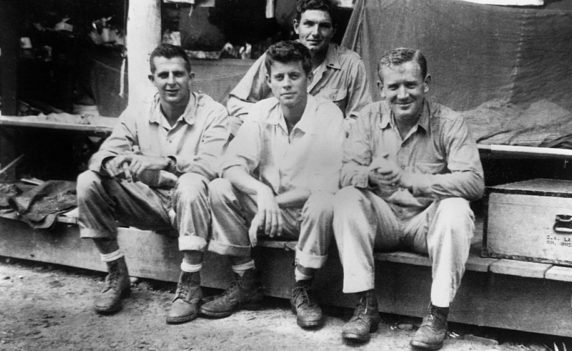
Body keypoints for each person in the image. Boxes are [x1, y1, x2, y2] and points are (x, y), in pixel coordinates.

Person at [332, 48, 484, 349]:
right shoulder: (368, 117)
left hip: (425, 225)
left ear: (425, 83)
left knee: (456, 207)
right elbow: (344, 172)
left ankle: (438, 314)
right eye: (393, 86)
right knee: (348, 198)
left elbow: (474, 181)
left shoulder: (450, 122)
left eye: (411, 85)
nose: (403, 94)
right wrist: (370, 178)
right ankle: (365, 307)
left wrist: (413, 180)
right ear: (380, 88)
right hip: (383, 221)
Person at [76, 44, 229, 324]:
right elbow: (103, 155)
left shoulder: (213, 113)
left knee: (192, 184)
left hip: (196, 207)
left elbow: (212, 164)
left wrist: (165, 163)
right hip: (150, 201)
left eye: (179, 74)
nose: (171, 82)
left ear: (191, 77)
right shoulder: (137, 112)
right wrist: (118, 164)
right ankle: (116, 274)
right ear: (152, 79)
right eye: (163, 75)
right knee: (88, 182)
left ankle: (190, 286)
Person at [200, 40, 345, 329]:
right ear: (268, 81)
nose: (286, 84)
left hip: (305, 215)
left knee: (324, 201)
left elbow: (328, 182)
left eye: (294, 76)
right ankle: (246, 280)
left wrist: (273, 204)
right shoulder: (261, 111)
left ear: (310, 78)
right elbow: (230, 165)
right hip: (265, 210)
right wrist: (262, 192)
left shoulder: (328, 115)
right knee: (219, 188)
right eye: (279, 77)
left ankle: (302, 288)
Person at [226, 0, 371, 135]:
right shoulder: (277, 55)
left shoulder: (351, 63)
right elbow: (236, 103)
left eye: (324, 26)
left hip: (322, 143)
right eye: (309, 24)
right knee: (231, 125)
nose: (315, 33)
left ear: (333, 31)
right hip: (274, 137)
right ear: (296, 27)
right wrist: (275, 117)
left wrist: (316, 129)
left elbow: (360, 119)